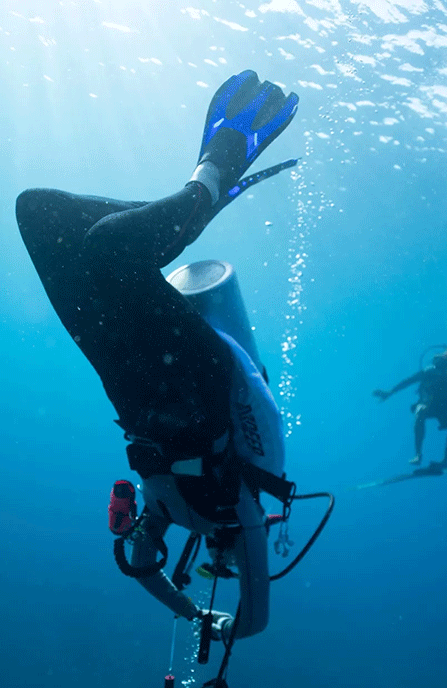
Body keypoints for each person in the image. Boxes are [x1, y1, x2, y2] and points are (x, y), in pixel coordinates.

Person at [16, 70, 300, 648]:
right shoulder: (238, 509)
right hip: (198, 379)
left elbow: (141, 564)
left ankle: (187, 213)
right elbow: (257, 619)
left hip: (127, 387)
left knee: (38, 212)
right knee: (110, 248)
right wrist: (226, 624)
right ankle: (209, 183)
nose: (223, 564)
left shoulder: (166, 514)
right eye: (228, 567)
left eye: (217, 567)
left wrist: (194, 615)